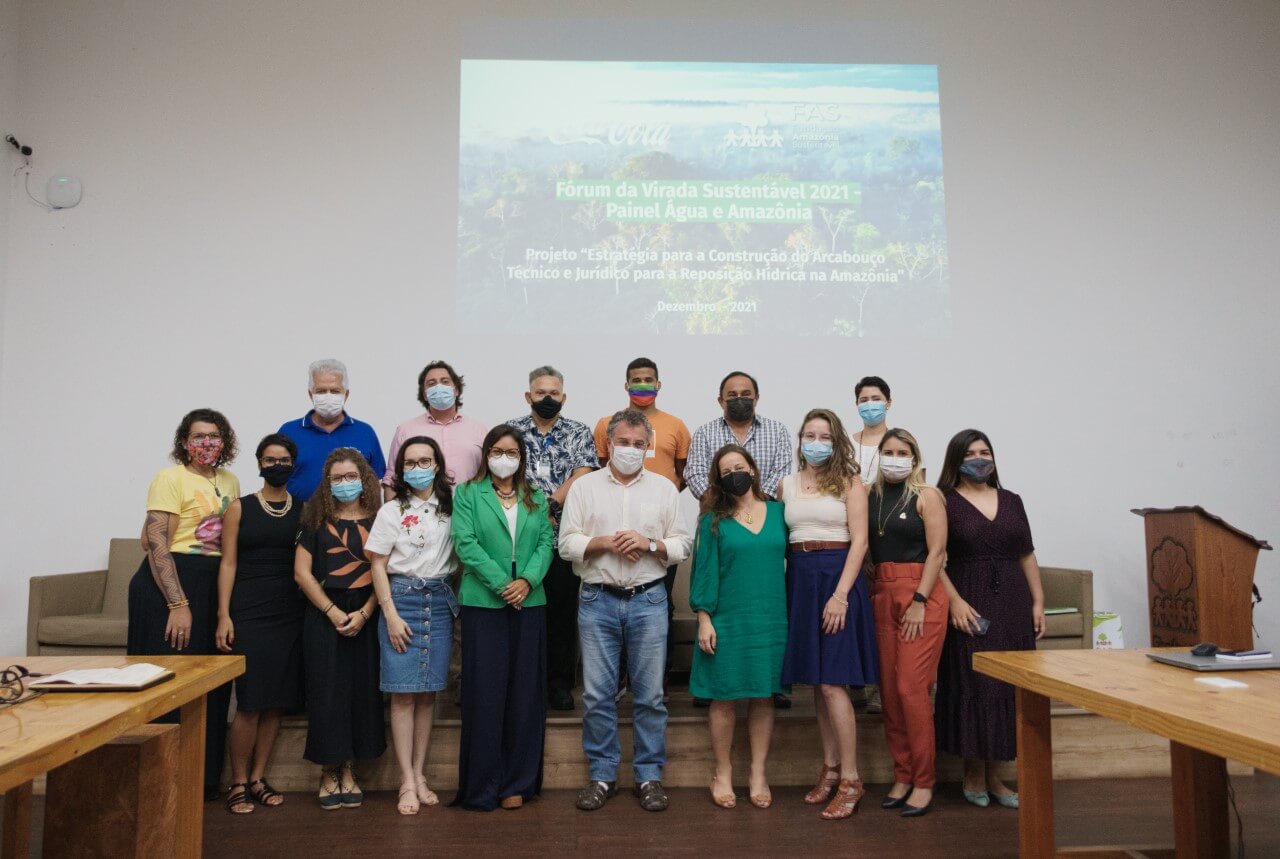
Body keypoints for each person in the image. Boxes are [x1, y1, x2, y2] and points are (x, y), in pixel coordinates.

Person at [559, 409, 692, 813]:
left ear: (648, 446)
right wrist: (601, 543)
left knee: (650, 696)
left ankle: (649, 776)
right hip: (597, 599)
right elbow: (566, 545)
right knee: (598, 695)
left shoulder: (665, 489)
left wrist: (648, 544)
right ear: (608, 444)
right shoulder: (584, 489)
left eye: (639, 444)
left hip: (648, 599)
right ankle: (602, 775)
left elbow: (682, 546)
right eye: (623, 443)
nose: (631, 450)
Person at [129, 408, 240, 800]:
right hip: (169, 583)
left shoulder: (229, 480)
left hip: (211, 582)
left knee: (208, 684)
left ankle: (201, 782)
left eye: (214, 436)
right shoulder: (170, 478)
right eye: (198, 436)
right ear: (184, 442)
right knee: (167, 682)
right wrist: (178, 603)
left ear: (224, 441)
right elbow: (155, 544)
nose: (206, 443)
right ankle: (159, 782)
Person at [934, 429, 1046, 809]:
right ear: (955, 459)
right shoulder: (943, 501)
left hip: (1013, 602)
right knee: (974, 681)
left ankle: (996, 776)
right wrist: (954, 602)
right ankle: (972, 772)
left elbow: (1027, 554)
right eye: (971, 452)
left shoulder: (1012, 500)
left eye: (986, 451)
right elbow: (932, 557)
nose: (980, 458)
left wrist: (1038, 601)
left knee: (1005, 687)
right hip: (970, 599)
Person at [777, 408, 876, 820]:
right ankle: (831, 769)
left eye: (824, 436)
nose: (815, 442)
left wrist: (840, 596)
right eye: (809, 435)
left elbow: (860, 541)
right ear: (800, 439)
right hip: (801, 579)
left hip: (838, 580)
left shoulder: (851, 483)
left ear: (836, 442)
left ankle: (852, 778)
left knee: (834, 684)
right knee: (817, 685)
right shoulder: (786, 484)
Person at [451, 425, 554, 811]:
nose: (504, 457)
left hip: (530, 602)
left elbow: (546, 543)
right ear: (486, 454)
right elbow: (466, 543)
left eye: (511, 451)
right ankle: (482, 786)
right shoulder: (467, 493)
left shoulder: (535, 496)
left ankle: (518, 783)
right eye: (496, 450)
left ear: (521, 457)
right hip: (484, 603)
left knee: (525, 695)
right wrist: (503, 583)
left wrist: (526, 579)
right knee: (485, 694)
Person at [689, 445, 788, 810]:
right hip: (726, 618)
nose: (735, 473)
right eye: (726, 469)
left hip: (771, 618)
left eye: (740, 466)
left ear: (753, 469)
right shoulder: (711, 520)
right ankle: (723, 772)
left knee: (763, 696)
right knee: (724, 698)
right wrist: (704, 618)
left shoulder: (780, 512)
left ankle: (758, 773)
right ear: (718, 479)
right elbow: (704, 573)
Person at [367, 436, 458, 815]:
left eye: (425, 460)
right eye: (410, 462)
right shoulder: (391, 510)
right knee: (403, 693)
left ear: (437, 464)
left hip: (439, 602)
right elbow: (376, 563)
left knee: (428, 694)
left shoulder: (453, 507)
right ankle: (405, 779)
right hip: (401, 599)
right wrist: (389, 614)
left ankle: (420, 774)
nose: (418, 467)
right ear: (400, 469)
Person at [215, 433, 304, 814]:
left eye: (283, 460)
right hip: (248, 611)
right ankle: (237, 781)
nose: (276, 466)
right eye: (270, 460)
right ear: (259, 464)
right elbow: (228, 563)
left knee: (275, 703)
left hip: (289, 612)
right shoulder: (240, 507)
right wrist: (223, 614)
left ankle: (258, 777)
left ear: (293, 464)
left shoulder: (303, 509)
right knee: (250, 701)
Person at [593, 356, 692, 693]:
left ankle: (653, 678)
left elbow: (682, 474)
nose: (643, 385)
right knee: (614, 602)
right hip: (615, 530)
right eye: (636, 380)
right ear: (626, 385)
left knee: (659, 599)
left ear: (659, 384)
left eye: (649, 379)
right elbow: (604, 470)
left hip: (658, 530)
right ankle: (620, 678)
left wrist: (654, 505)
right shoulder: (607, 423)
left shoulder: (676, 425)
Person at [294, 450, 386, 809]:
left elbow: (385, 572)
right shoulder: (314, 519)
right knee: (327, 692)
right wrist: (333, 612)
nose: (345, 483)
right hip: (324, 614)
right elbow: (301, 573)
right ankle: (328, 771)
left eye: (352, 476)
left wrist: (364, 613)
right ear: (327, 483)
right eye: (337, 478)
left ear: (364, 479)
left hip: (368, 612)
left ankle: (349, 769)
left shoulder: (380, 520)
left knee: (360, 693)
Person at [865, 428, 947, 817]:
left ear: (914, 458)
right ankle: (902, 773)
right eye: (888, 451)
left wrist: (919, 600)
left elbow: (937, 554)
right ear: (878, 455)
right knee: (890, 692)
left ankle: (925, 780)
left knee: (910, 688)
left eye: (903, 452)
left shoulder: (927, 496)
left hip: (920, 594)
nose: (895, 457)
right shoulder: (871, 496)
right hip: (881, 591)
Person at [507, 366, 599, 711]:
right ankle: (523, 685)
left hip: (564, 536)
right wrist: (533, 510)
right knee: (520, 613)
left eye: (554, 393)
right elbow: (503, 474)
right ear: (528, 396)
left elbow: (584, 473)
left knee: (561, 613)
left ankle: (559, 685)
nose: (548, 398)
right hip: (519, 537)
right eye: (541, 392)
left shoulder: (578, 431)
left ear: (564, 396)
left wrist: (551, 503)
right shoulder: (511, 431)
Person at [277, 359, 386, 500]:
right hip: (298, 518)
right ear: (311, 394)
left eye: (335, 391)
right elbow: (275, 478)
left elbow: (377, 482)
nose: (328, 396)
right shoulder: (289, 432)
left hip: (353, 519)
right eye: (321, 391)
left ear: (346, 395)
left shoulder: (365, 432)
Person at [685, 371, 791, 500]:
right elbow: (695, 475)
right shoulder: (704, 433)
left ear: (756, 398)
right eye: (732, 395)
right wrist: (724, 504)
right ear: (721, 401)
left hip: (766, 512)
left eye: (746, 394)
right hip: (719, 514)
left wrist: (755, 505)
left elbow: (781, 473)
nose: (739, 398)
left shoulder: (777, 431)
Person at [384, 360, 488, 491]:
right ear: (425, 394)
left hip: (468, 509)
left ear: (456, 390)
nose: (439, 387)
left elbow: (488, 478)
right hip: (418, 509)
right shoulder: (405, 430)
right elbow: (392, 478)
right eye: (431, 384)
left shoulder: (479, 430)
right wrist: (390, 511)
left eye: (445, 381)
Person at [851, 376, 892, 486]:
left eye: (876, 399)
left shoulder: (902, 443)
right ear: (857, 404)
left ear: (888, 403)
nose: (869, 404)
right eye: (864, 400)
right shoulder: (844, 443)